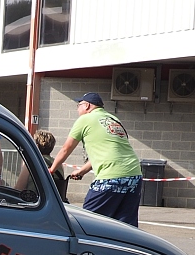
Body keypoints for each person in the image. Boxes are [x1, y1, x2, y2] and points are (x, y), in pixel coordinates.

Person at [49, 92, 143, 226]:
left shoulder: (85, 119)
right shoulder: (114, 119)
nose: (77, 109)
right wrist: (82, 171)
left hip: (111, 177)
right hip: (134, 176)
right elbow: (109, 152)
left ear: (87, 106)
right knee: (125, 226)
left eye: (79, 105)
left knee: (88, 221)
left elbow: (66, 148)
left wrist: (52, 169)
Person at [34, 129, 68, 203]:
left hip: (35, 202)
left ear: (37, 146)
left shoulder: (33, 162)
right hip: (53, 203)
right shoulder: (58, 164)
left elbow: (19, 187)